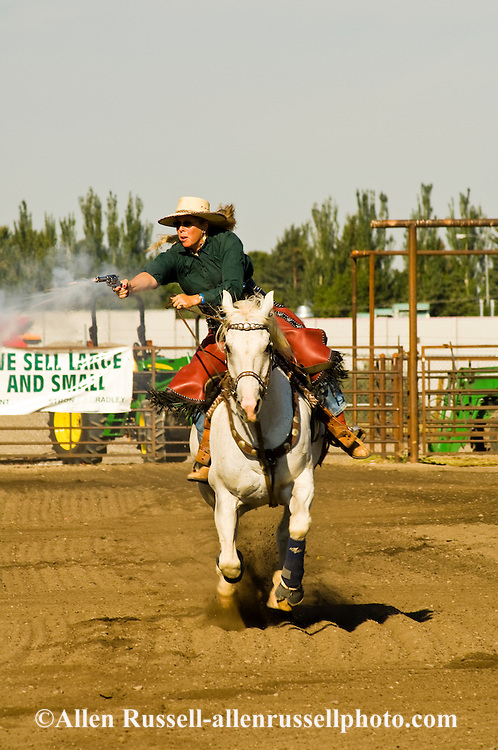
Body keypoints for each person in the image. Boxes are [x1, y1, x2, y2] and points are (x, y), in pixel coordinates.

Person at [114, 196, 369, 481]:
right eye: (178, 224)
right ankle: (206, 451)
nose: (181, 229)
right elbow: (152, 274)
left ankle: (340, 427)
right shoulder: (177, 255)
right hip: (222, 327)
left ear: (204, 226)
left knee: (309, 351)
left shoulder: (228, 243)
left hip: (258, 316)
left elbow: (233, 288)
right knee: (193, 385)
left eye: (187, 223)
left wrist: (194, 298)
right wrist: (131, 286)